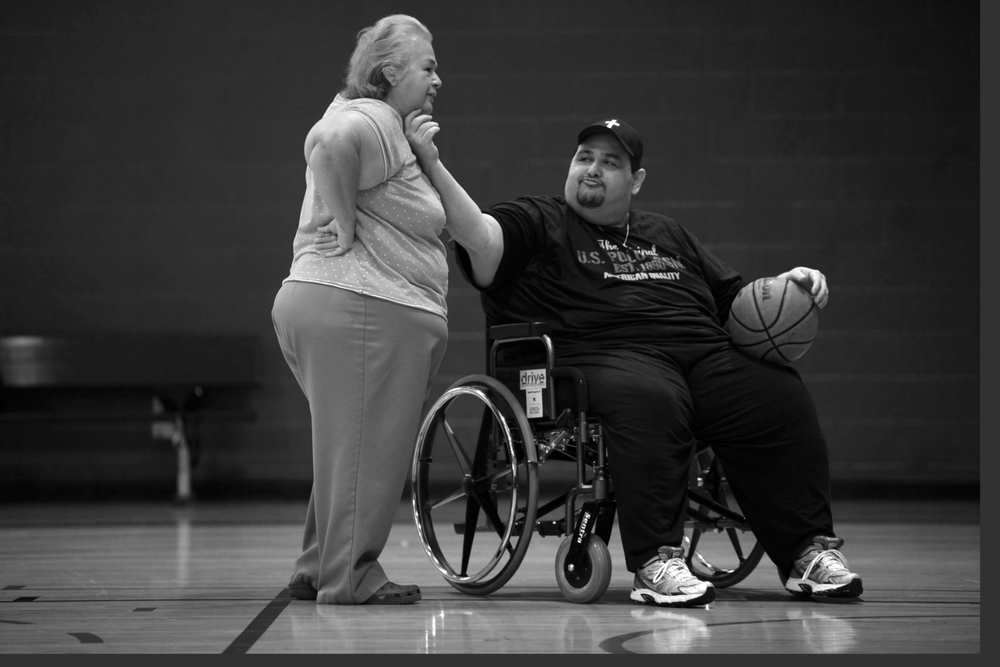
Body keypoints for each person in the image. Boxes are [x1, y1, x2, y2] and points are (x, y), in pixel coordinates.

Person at [404, 114, 864, 607]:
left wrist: (789, 286)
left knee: (777, 394)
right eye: (584, 158)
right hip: (600, 359)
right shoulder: (540, 221)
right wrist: (431, 164)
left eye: (610, 162)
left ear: (636, 180)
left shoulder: (666, 233)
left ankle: (806, 554)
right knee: (651, 397)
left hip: (702, 356)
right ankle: (656, 561)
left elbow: (736, 300)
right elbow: (479, 235)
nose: (593, 169)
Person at [270, 14, 447, 605]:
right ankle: (350, 577)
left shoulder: (374, 118)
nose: (437, 78)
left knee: (350, 446)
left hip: (340, 307)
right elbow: (327, 145)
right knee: (368, 452)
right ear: (389, 73)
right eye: (428, 66)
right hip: (362, 306)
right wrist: (347, 226)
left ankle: (319, 565)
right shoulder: (373, 116)